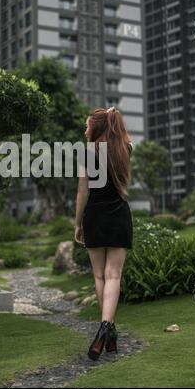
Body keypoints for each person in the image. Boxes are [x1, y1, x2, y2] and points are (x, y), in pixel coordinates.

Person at [74, 107, 133, 360]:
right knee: (114, 276)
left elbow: (83, 193)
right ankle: (108, 331)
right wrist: (112, 115)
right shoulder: (125, 149)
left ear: (96, 128)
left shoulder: (85, 153)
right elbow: (126, 137)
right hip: (119, 216)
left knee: (100, 276)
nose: (85, 129)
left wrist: (77, 224)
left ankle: (104, 330)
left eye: (88, 125)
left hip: (95, 217)